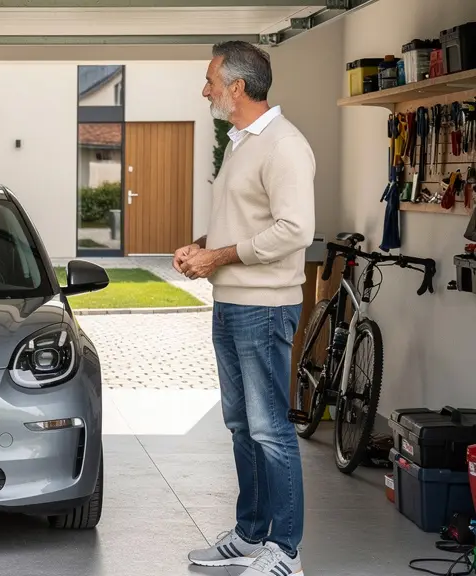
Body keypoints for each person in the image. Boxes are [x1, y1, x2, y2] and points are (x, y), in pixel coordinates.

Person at [177, 41, 315, 576]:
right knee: (240, 425)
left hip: (263, 308)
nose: (205, 88)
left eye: (211, 79)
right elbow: (245, 221)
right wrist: (202, 246)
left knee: (270, 429)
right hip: (230, 303)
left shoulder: (284, 146)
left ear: (237, 86)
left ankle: (286, 551)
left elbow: (294, 229)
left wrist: (220, 254)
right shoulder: (240, 143)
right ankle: (250, 534)